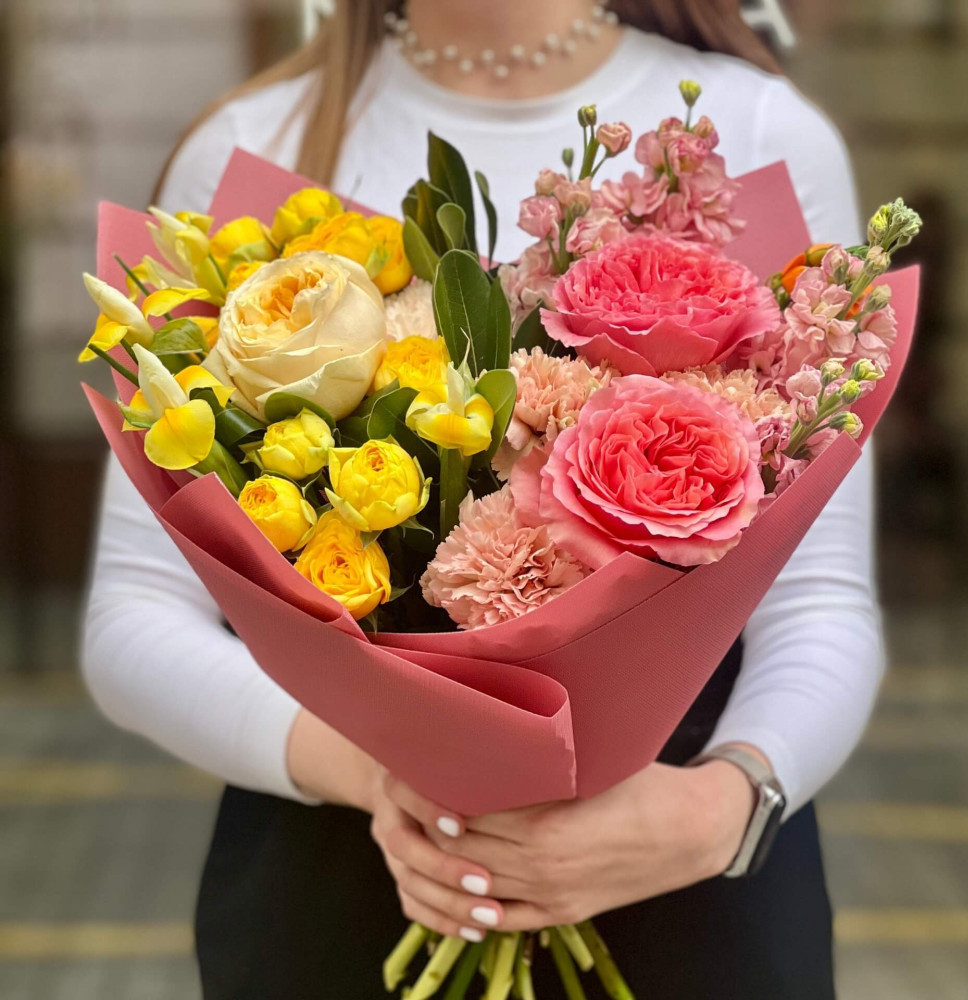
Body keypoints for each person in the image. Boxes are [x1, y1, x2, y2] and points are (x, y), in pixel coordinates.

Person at [82, 2, 879, 997]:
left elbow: (820, 603)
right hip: (348, 871)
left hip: (690, 871)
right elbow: (133, 619)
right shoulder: (257, 142)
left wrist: (720, 808)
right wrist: (382, 778)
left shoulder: (756, 130)